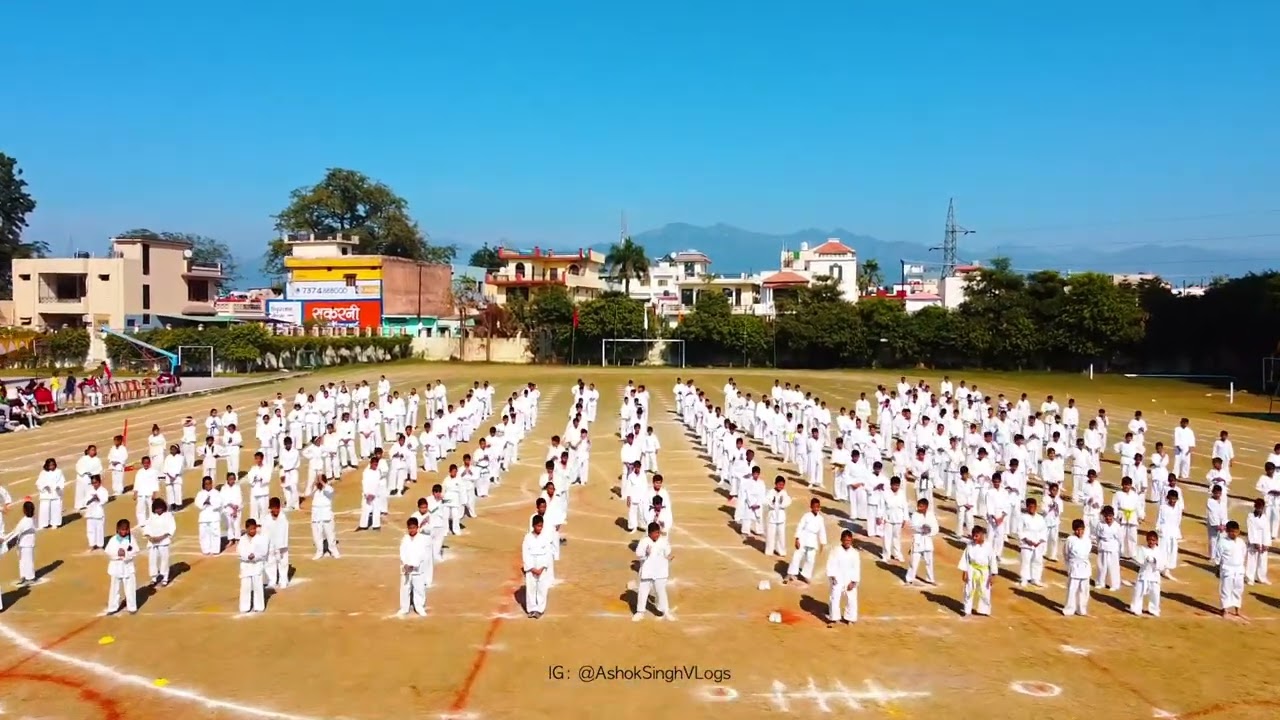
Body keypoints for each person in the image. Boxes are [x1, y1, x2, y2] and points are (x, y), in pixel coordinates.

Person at [633, 521, 674, 621]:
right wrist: (645, 553)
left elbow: (667, 552)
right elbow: (638, 554)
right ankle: (640, 612)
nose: (657, 535)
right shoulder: (644, 541)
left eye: (658, 532)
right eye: (655, 533)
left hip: (660, 571)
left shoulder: (663, 541)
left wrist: (668, 557)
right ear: (650, 533)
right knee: (643, 591)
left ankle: (665, 611)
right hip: (647, 571)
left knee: (661, 592)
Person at [784, 498, 827, 585]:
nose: (816, 508)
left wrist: (822, 542)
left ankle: (805, 575)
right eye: (814, 507)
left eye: (818, 507)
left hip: (813, 540)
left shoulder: (820, 519)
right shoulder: (806, 516)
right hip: (803, 538)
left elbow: (822, 531)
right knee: (796, 557)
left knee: (810, 559)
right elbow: (800, 527)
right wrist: (797, 539)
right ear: (811, 507)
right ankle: (790, 574)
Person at [824, 529, 861, 626]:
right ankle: (833, 618)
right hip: (837, 578)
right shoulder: (835, 551)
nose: (847, 542)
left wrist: (853, 581)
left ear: (851, 540)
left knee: (851, 599)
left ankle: (850, 618)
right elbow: (830, 564)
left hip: (849, 579)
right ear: (841, 540)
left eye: (849, 540)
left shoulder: (854, 553)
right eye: (845, 540)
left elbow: (856, 568)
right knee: (834, 598)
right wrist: (832, 576)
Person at [959, 525, 998, 617]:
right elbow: (965, 559)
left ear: (982, 535)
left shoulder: (988, 546)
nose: (974, 538)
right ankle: (967, 610)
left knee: (985, 590)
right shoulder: (970, 545)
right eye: (973, 536)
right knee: (969, 590)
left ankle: (984, 610)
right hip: (971, 569)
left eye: (976, 536)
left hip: (984, 571)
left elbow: (992, 560)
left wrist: (992, 575)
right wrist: (964, 572)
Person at [521, 514, 555, 619]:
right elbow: (525, 553)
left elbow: (548, 553)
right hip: (531, 566)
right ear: (533, 526)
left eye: (541, 526)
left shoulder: (545, 537)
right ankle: (531, 609)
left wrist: (542, 567)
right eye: (538, 526)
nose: (539, 528)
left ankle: (540, 609)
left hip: (541, 566)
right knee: (531, 588)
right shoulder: (527, 538)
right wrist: (531, 567)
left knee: (541, 588)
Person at [103, 519, 139, 615]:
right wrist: (117, 554)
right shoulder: (113, 540)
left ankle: (132, 607)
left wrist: (126, 554)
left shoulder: (131, 539)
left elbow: (135, 552)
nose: (123, 532)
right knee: (115, 588)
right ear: (117, 529)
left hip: (128, 567)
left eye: (125, 530)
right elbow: (108, 552)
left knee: (130, 587)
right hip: (116, 567)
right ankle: (112, 607)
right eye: (121, 529)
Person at [398, 517, 432, 617]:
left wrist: (414, 564)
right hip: (406, 569)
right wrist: (405, 564)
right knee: (405, 588)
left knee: (419, 588)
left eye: (413, 528)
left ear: (417, 527)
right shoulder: (405, 539)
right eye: (410, 528)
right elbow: (402, 552)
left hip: (418, 568)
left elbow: (422, 554)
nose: (412, 530)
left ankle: (419, 607)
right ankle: (404, 608)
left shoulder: (422, 539)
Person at [1130, 530, 1166, 617]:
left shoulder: (1160, 551)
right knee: (1139, 591)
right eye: (1149, 540)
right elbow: (1137, 559)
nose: (1151, 542)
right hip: (1144, 574)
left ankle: (1154, 609)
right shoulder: (1142, 548)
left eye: (1153, 540)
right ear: (1147, 540)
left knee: (1155, 593)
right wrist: (1144, 560)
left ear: (1157, 541)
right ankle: (1136, 608)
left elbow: (1163, 565)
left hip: (1154, 575)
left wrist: (1155, 561)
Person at [1217, 520, 1247, 621]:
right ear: (1227, 531)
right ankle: (1225, 610)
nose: (1233, 533)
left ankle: (1237, 610)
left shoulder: (1241, 542)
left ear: (1238, 531)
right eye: (1231, 531)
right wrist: (1218, 568)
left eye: (1235, 531)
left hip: (1239, 569)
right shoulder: (1222, 542)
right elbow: (1218, 556)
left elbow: (1243, 554)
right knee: (1226, 589)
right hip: (1227, 568)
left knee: (1238, 589)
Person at [905, 497, 939, 585]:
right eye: (918, 506)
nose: (919, 508)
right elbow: (913, 526)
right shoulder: (915, 515)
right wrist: (921, 529)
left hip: (927, 539)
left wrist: (930, 531)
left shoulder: (931, 515)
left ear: (926, 507)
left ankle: (930, 579)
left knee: (929, 561)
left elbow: (936, 527)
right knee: (914, 560)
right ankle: (909, 578)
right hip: (918, 540)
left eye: (921, 506)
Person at [238, 519, 268, 614]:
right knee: (245, 587)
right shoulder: (242, 539)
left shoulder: (261, 539)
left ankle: (259, 606)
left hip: (257, 566)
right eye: (250, 529)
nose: (252, 531)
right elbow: (239, 552)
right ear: (246, 529)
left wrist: (255, 556)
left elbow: (264, 552)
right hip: (246, 566)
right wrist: (247, 556)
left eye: (254, 529)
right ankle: (244, 607)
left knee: (258, 586)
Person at [143, 499, 175, 587]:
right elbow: (147, 528)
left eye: (160, 508)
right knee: (152, 560)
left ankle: (165, 577)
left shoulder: (168, 516)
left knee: (164, 559)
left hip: (163, 541)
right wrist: (149, 537)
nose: (158, 510)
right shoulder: (152, 516)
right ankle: (154, 578)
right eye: (157, 509)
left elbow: (171, 528)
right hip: (152, 542)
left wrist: (161, 537)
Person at [1063, 519, 1092, 617]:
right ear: (1074, 530)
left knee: (1084, 589)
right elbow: (1066, 553)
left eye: (1081, 530)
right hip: (1074, 566)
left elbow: (1088, 552)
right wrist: (1069, 565)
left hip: (1085, 567)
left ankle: (1082, 609)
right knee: (1072, 589)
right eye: (1077, 530)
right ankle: (1069, 609)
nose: (1080, 532)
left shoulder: (1087, 540)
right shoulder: (1070, 540)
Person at [1017, 497, 1048, 588]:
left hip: (1038, 543)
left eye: (1033, 507)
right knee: (1026, 561)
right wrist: (1026, 540)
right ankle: (1024, 578)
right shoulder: (1022, 517)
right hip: (1027, 543)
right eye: (1030, 507)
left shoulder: (1040, 518)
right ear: (1027, 507)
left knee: (1037, 560)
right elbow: (1019, 530)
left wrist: (1040, 541)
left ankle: (1036, 578)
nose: (1032, 509)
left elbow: (1044, 530)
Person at [4, 501, 37, 585]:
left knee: (27, 560)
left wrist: (6, 540)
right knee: (23, 560)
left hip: (27, 544)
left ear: (24, 510)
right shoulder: (30, 519)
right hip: (23, 543)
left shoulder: (27, 521)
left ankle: (30, 577)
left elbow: (16, 532)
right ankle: (24, 576)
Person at [261, 497, 290, 590]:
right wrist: (266, 546)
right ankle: (272, 581)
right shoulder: (266, 519)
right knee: (270, 563)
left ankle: (283, 581)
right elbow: (264, 533)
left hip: (282, 546)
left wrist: (281, 547)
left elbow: (284, 533)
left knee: (283, 563)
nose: (275, 510)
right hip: (271, 545)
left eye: (277, 508)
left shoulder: (283, 518)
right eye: (273, 508)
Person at [1094, 506, 1123, 592]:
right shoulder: (1100, 524)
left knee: (1113, 566)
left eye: (1110, 516)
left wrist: (1119, 550)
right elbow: (1097, 536)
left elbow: (1120, 538)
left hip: (1113, 548)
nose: (1108, 518)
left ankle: (1114, 584)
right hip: (1103, 547)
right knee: (1101, 565)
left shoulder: (1117, 526)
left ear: (1113, 516)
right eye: (1106, 516)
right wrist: (1100, 545)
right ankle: (1100, 582)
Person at [310, 476, 340, 559]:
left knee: (330, 534)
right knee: (317, 535)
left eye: (320, 481)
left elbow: (331, 491)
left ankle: (334, 551)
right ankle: (319, 551)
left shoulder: (328, 489)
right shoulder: (315, 490)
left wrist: (322, 483)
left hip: (326, 514)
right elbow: (308, 493)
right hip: (316, 515)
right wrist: (314, 483)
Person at [764, 475, 791, 557]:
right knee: (770, 534)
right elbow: (766, 501)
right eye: (779, 484)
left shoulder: (784, 493)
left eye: (782, 485)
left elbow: (788, 501)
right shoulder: (771, 492)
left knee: (781, 535)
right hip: (772, 516)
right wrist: (773, 503)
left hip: (781, 517)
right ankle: (769, 550)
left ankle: (781, 550)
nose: (780, 486)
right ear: (775, 484)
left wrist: (781, 504)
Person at [194, 476, 223, 555]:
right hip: (203, 517)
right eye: (206, 484)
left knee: (215, 533)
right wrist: (204, 502)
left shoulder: (216, 493)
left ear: (212, 484)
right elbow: (197, 503)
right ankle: (206, 549)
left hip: (214, 516)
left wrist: (211, 502)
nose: (208, 486)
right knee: (204, 534)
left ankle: (215, 549)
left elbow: (219, 503)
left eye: (209, 484)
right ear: (203, 484)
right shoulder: (200, 493)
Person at [1246, 498, 1271, 585]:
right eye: (1258, 507)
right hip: (1254, 540)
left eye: (1261, 507)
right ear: (1255, 507)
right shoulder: (1250, 516)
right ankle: (1250, 578)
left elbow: (1267, 531)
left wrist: (1266, 543)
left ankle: (1262, 577)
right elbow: (1251, 529)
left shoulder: (1265, 517)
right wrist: (1255, 542)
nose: (1259, 509)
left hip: (1263, 539)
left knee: (1263, 560)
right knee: (1252, 559)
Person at [80, 475, 109, 550]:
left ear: (99, 482)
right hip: (90, 513)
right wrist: (92, 499)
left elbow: (104, 500)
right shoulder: (89, 491)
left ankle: (100, 545)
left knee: (99, 529)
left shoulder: (104, 491)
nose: (94, 485)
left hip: (99, 513)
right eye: (92, 483)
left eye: (96, 483)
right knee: (90, 530)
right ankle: (92, 544)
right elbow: (85, 502)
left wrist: (98, 498)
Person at [36, 458, 65, 529]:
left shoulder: (59, 472)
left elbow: (62, 480)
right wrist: (44, 486)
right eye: (50, 465)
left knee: (55, 508)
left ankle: (55, 523)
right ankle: (43, 524)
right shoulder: (43, 473)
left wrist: (58, 487)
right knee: (44, 509)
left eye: (53, 465)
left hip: (56, 494)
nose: (51, 467)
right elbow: (39, 482)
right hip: (46, 494)